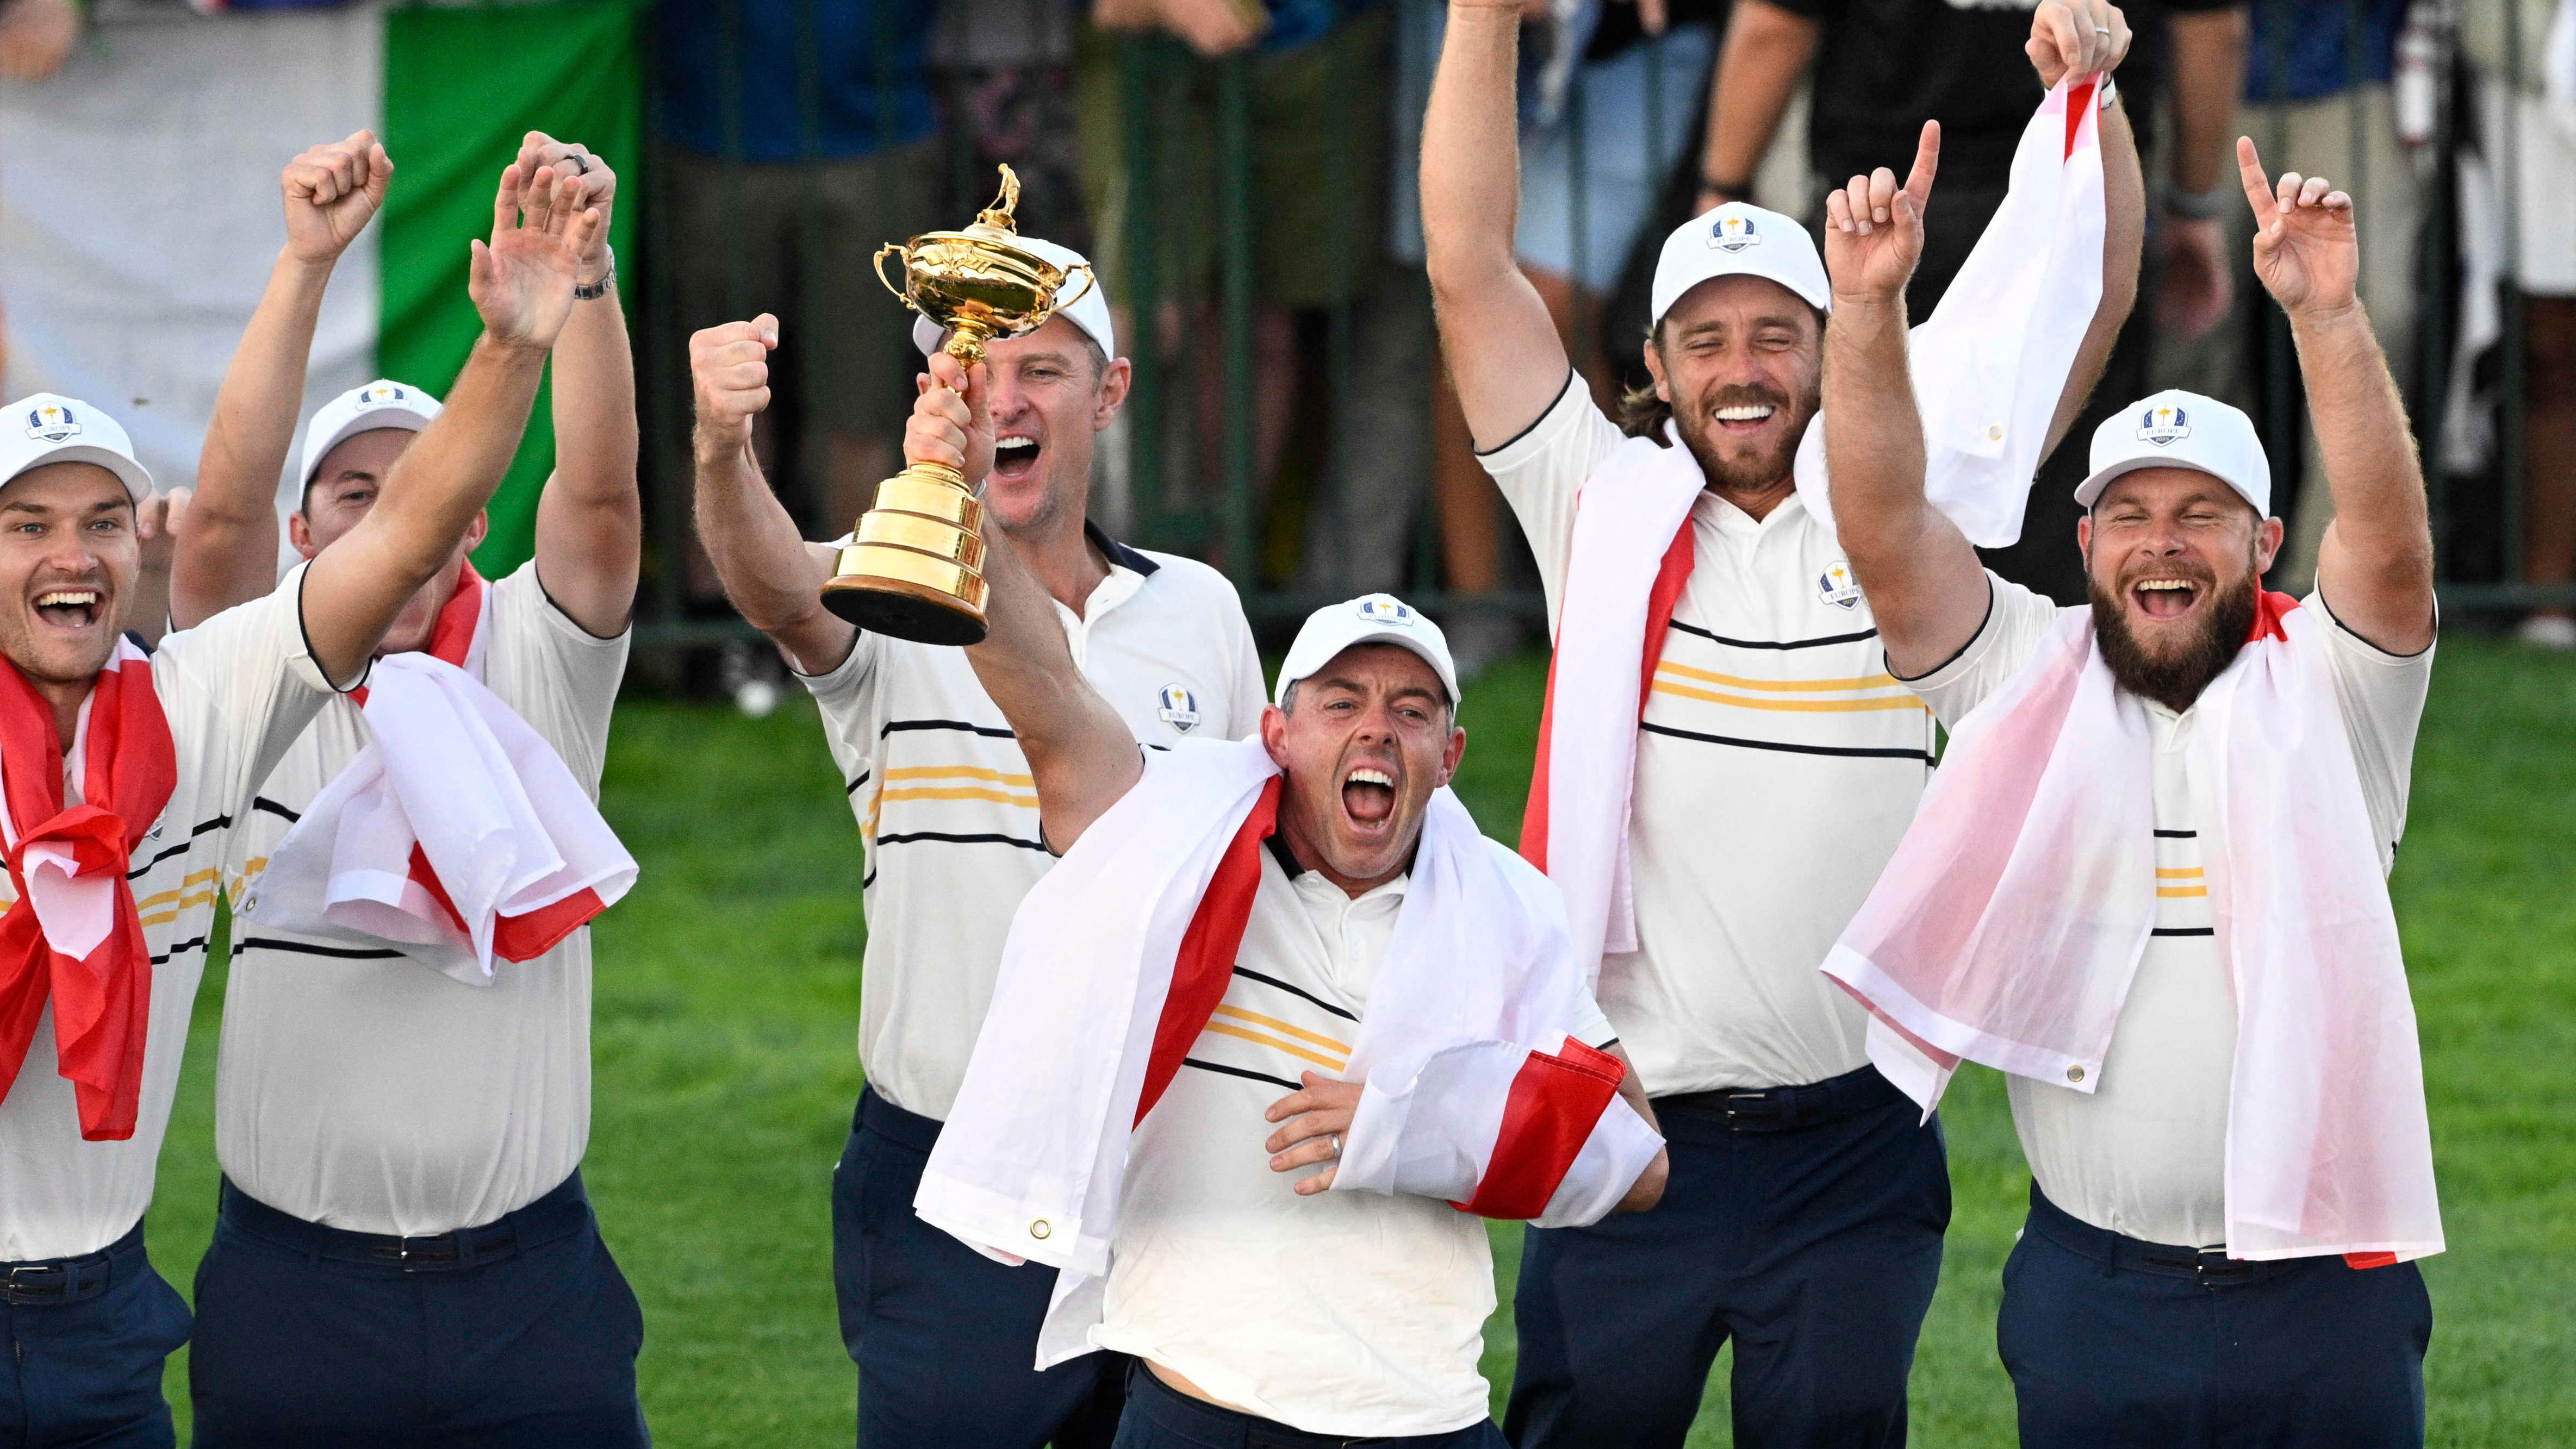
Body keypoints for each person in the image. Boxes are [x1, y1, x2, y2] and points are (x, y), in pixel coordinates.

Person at [1418, 0, 2144, 1441]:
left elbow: (2097, 298)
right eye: (1705, 340)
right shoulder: (1595, 506)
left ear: (1827, 350)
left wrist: (2096, 105)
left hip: (1852, 1147)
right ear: (1657, 367)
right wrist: (1483, 17)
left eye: (1775, 333)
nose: (1741, 366)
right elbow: (1467, 266)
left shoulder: (1900, 517)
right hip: (1629, 1137)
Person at [898, 347, 1668, 1448]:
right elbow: (1045, 687)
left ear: (1447, 754)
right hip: (1197, 1411)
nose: (1374, 729)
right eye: (1341, 699)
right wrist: (963, 503)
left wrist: (1417, 1127)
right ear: (1275, 731)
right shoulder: (1176, 835)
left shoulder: (1507, 911)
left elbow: (1636, 1158)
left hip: (1422, 1420)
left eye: (1409, 710)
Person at [1816, 132, 2440, 1448]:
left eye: (2200, 512)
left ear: (2263, 543)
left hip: (2322, 1293)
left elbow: (2384, 550)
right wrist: (1866, 310)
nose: (2162, 540)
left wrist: (2324, 316)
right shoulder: (2017, 676)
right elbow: (1881, 534)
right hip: (2092, 1290)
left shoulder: (2331, 689)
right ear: (2085, 540)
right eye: (2130, 513)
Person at [0, 163, 597, 1449]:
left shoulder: (194, 713)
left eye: (104, 519)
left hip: (104, 1324)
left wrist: (512, 346)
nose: (71, 551)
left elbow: (400, 538)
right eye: (26, 522)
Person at [688, 231, 1264, 1448]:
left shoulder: (1201, 612)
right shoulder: (891, 588)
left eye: (1044, 370)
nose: (1005, 397)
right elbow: (774, 582)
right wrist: (721, 445)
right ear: (936, 399)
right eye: (975, 370)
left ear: (1107, 392)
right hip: (949, 1173)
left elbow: (1246, 888)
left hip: (1157, 1170)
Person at [155, 134, 646, 1447]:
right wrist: (307, 262)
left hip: (531, 1284)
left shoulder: (537, 655)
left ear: (472, 507)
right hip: (293, 1291)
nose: (396, 519)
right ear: (306, 536)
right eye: (352, 495)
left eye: (418, 488)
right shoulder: (251, 682)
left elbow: (597, 492)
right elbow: (215, 524)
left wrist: (582, 280)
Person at [1699, 0, 2244, 603]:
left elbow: (1772, 28)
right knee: (2026, 521)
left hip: (1885, 202)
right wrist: (2190, 202)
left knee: (1870, 508)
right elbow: (2213, 33)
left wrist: (1722, 187)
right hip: (2018, 194)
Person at [654, 0, 943, 693]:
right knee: (722, 405)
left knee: (863, 406)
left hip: (877, 129)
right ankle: (719, 634)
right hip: (713, 129)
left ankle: (857, 628)